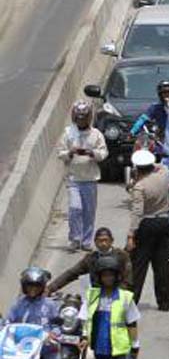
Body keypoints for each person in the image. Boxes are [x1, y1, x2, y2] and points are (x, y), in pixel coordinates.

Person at [80, 256, 139, 359]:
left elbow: (132, 322)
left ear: (117, 276)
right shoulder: (92, 295)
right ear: (99, 277)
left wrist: (135, 345)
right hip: (100, 343)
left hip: (119, 345)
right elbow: (85, 318)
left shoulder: (125, 297)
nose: (108, 278)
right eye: (105, 275)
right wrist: (84, 336)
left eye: (111, 275)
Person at [6, 267, 66, 359]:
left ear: (42, 287)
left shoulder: (50, 305)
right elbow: (8, 322)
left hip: (48, 348)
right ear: (24, 286)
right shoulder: (19, 304)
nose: (33, 289)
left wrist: (53, 334)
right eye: (29, 286)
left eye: (36, 286)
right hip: (24, 350)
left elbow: (57, 325)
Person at [126, 149, 169, 311]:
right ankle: (164, 302)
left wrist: (131, 235)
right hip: (164, 222)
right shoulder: (164, 175)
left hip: (146, 225)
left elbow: (137, 213)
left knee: (138, 265)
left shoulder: (139, 187)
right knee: (164, 264)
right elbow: (162, 166)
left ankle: (132, 299)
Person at [57, 100, 107, 251]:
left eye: (84, 117)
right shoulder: (68, 133)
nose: (81, 120)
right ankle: (75, 238)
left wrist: (92, 153)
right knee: (75, 208)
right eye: (78, 117)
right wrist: (70, 152)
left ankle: (86, 241)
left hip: (90, 178)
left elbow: (103, 152)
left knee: (89, 211)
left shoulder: (96, 134)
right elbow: (60, 152)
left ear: (89, 117)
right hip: (74, 178)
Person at [48, 227, 133, 293]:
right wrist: (50, 288)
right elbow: (72, 273)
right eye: (100, 241)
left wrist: (118, 293)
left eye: (106, 240)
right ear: (95, 242)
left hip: (118, 296)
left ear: (111, 241)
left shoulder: (122, 256)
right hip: (96, 297)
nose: (103, 243)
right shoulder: (91, 258)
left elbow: (128, 279)